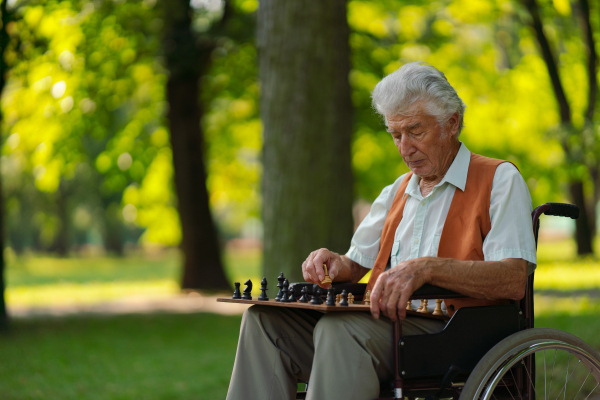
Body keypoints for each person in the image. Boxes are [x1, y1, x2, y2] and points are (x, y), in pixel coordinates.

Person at [226, 62, 537, 400]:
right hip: (386, 326)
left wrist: (427, 268)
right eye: (396, 135)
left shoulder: (499, 179)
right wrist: (332, 262)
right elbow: (354, 265)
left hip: (455, 331)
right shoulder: (396, 191)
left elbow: (512, 279)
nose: (405, 148)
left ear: (452, 123)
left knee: (340, 329)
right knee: (263, 321)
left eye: (415, 131)